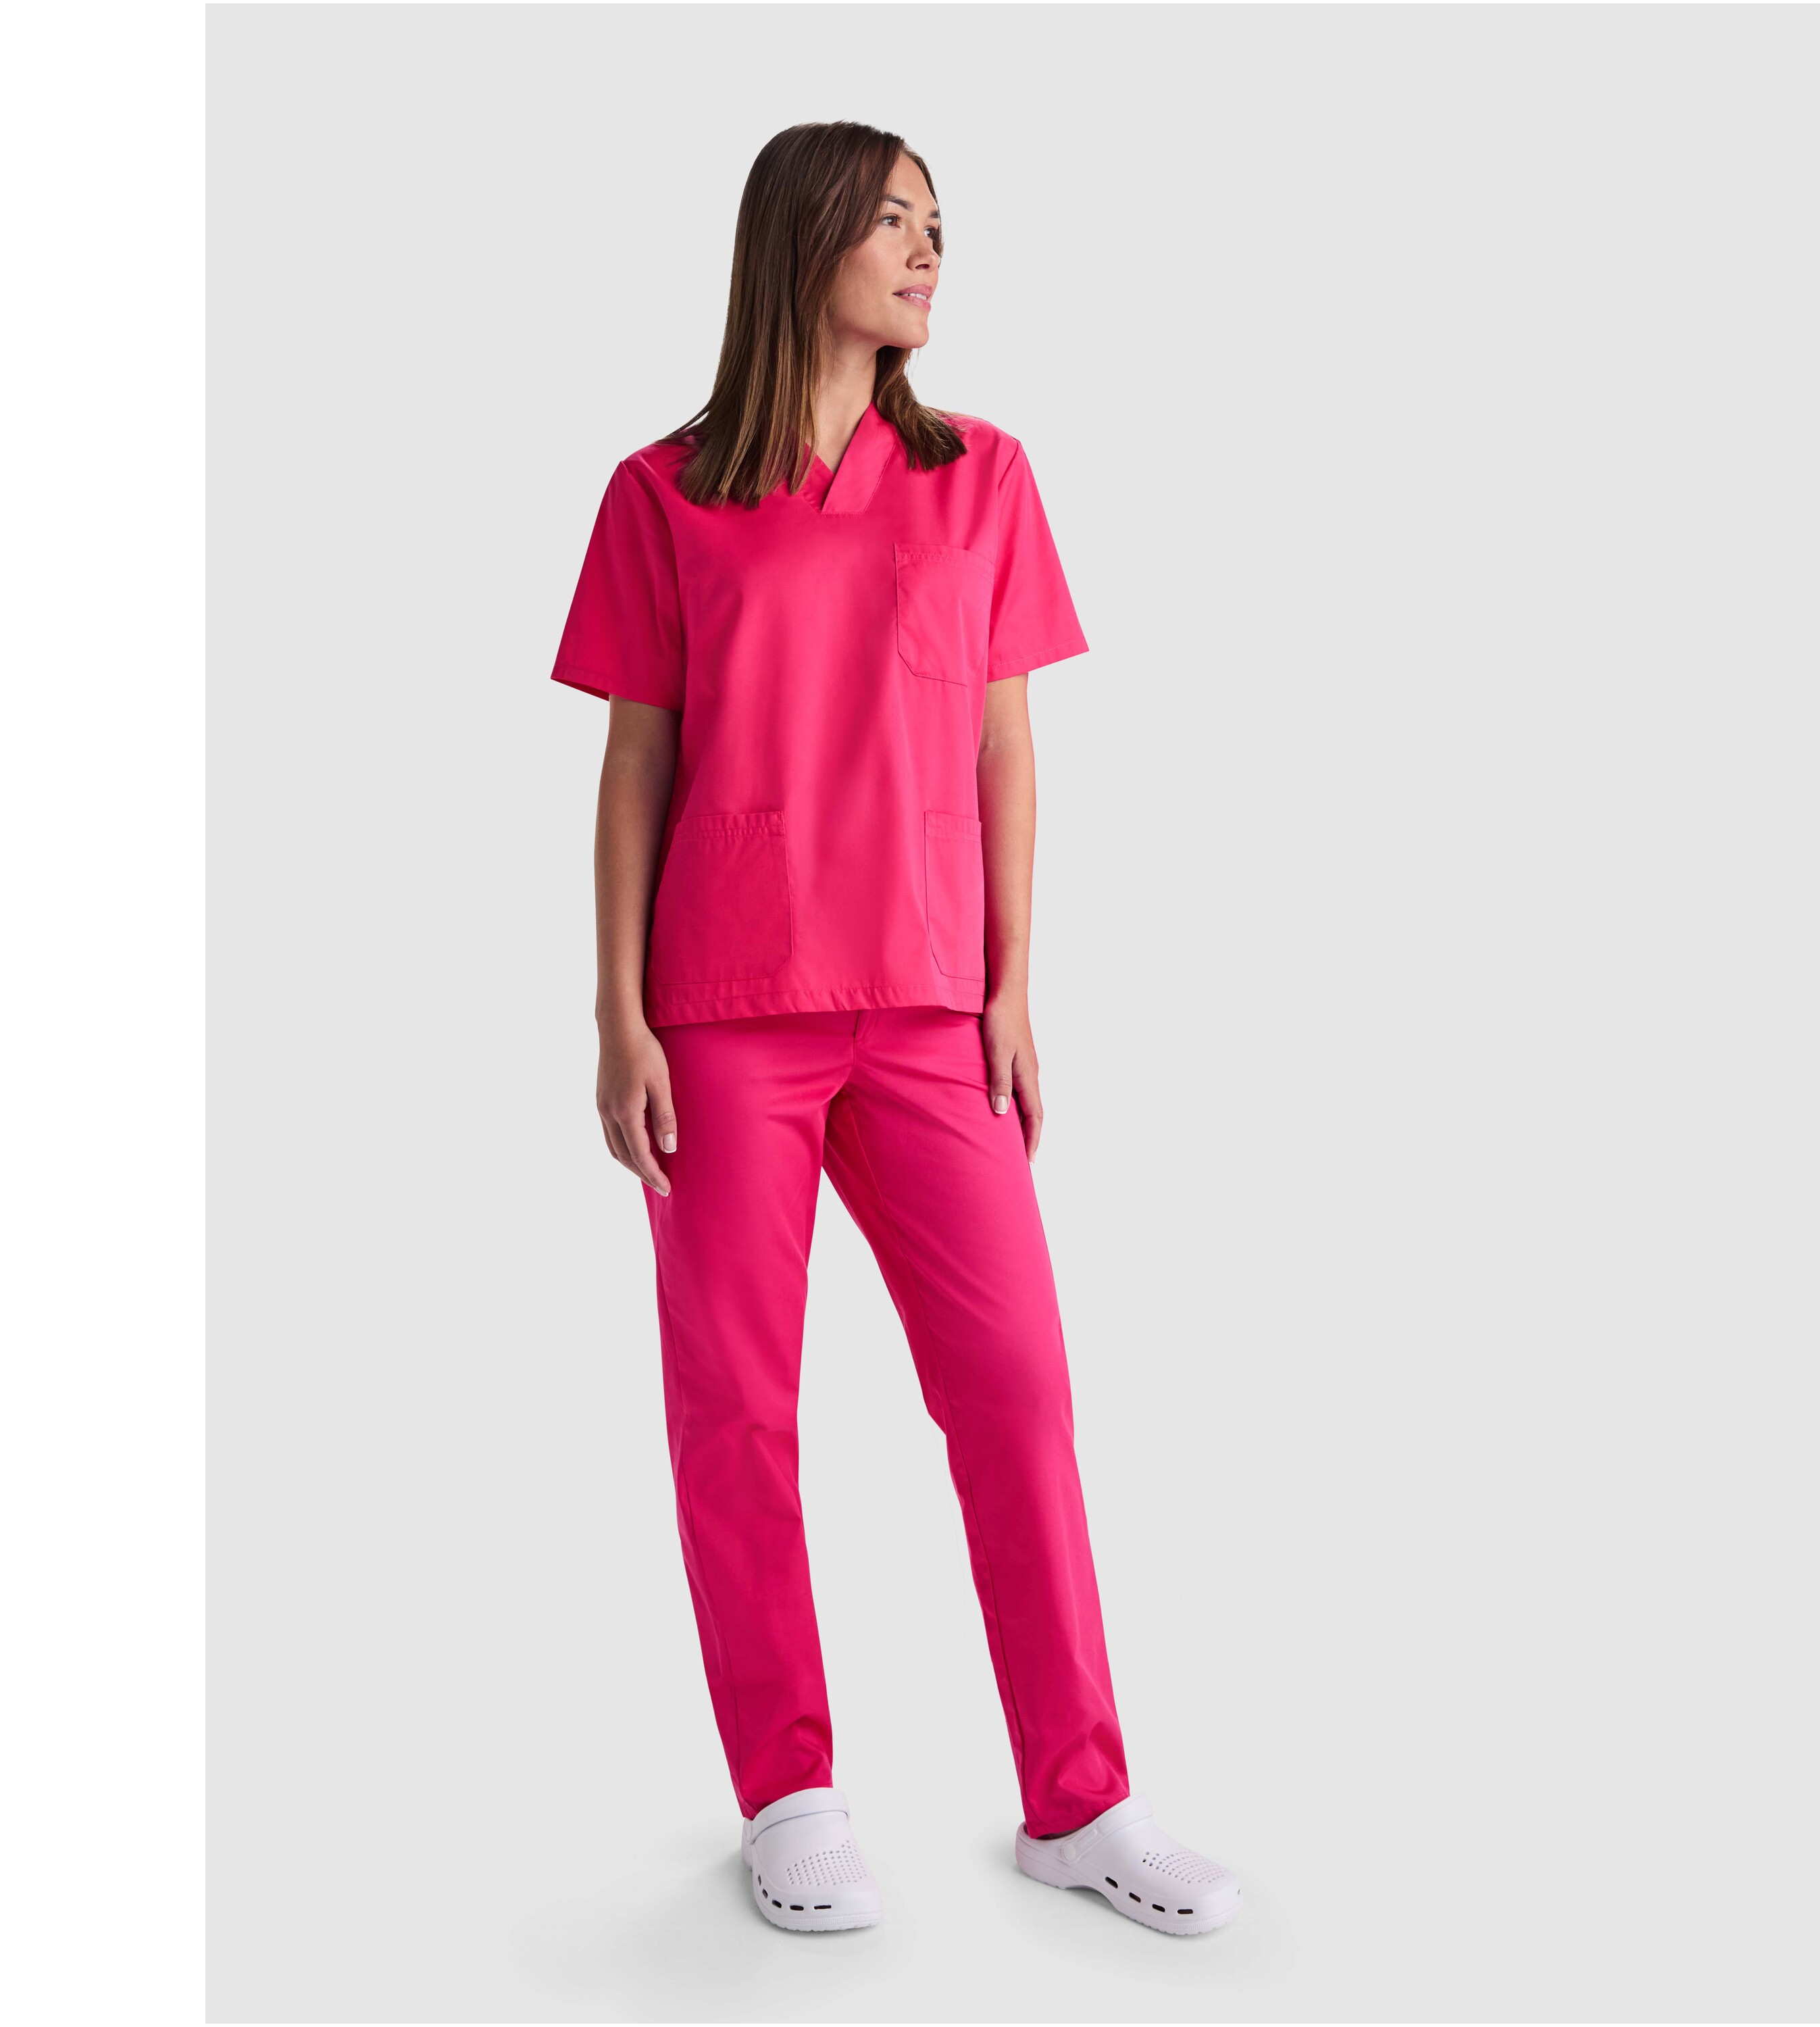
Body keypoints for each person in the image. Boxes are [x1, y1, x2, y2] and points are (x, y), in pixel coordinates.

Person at [548, 120, 1240, 1938]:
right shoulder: (662, 493)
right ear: (802, 248)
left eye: (941, 224)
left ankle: (1081, 1800)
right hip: (721, 1014)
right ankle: (787, 1793)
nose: (931, 254)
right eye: (893, 224)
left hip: (933, 1010)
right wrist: (618, 1010)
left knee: (1017, 1387)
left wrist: (1012, 983)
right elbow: (634, 767)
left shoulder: (982, 476)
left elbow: (1006, 741)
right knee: (736, 1408)